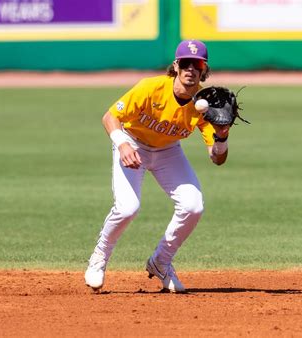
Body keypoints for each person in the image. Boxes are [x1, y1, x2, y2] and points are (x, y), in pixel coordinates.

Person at [84, 40, 230, 293]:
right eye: (185, 63)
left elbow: (217, 158)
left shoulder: (206, 103)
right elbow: (110, 117)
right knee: (128, 208)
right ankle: (99, 256)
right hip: (133, 143)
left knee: (193, 206)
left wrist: (222, 135)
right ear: (176, 65)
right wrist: (122, 144)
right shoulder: (150, 88)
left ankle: (161, 262)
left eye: (197, 64)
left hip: (167, 151)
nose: (190, 69)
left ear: (204, 69)